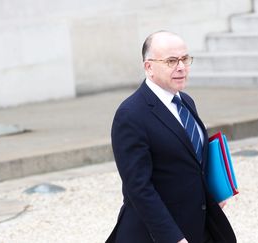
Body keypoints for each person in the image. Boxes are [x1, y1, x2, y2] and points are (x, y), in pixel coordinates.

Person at [106, 30, 236, 243]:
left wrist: (212, 192)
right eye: (171, 61)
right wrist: (172, 238)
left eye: (185, 59)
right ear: (149, 67)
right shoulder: (130, 115)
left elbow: (192, 161)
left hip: (201, 225)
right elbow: (139, 188)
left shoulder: (186, 101)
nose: (181, 67)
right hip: (158, 235)